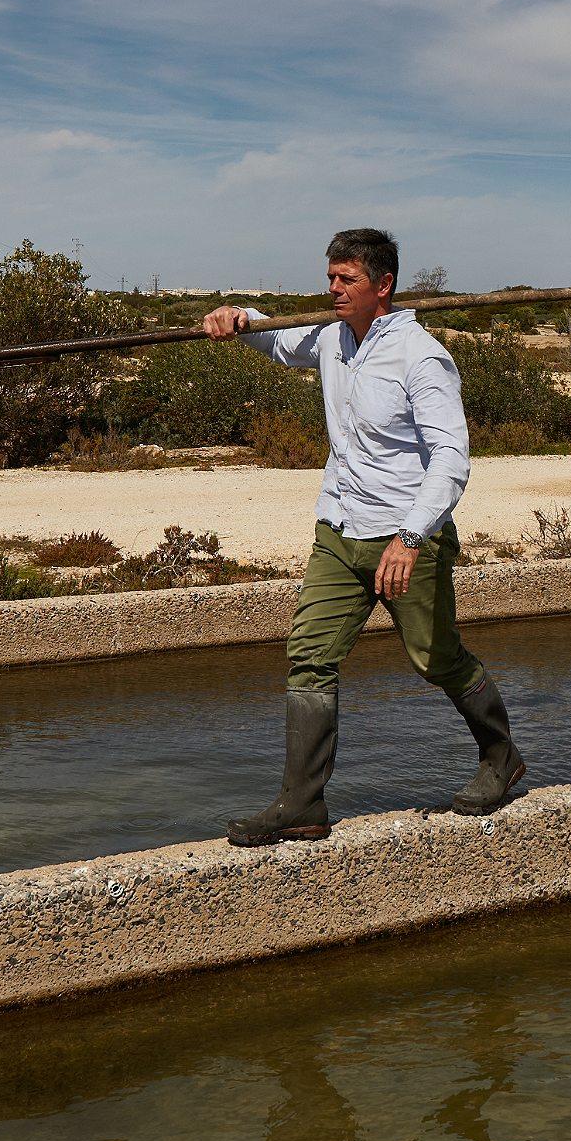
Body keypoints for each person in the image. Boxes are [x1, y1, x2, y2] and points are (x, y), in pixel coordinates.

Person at [205, 227, 524, 846]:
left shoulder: (421, 357)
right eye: (330, 277)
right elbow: (279, 340)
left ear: (383, 285)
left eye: (347, 279)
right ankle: (302, 804)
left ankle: (500, 755)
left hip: (406, 535)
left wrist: (411, 537)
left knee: (435, 658)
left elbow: (451, 459)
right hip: (340, 528)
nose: (333, 289)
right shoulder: (331, 338)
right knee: (309, 654)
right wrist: (238, 319)